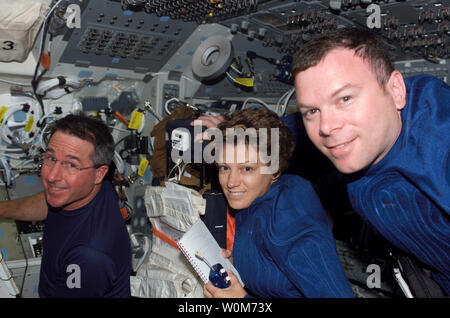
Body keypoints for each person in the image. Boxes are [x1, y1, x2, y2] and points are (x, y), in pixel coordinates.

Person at [291, 27, 449, 296]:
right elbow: (287, 127)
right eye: (312, 111)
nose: (326, 127)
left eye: (345, 98)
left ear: (396, 90)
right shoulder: (365, 138)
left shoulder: (439, 142)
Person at [203, 108, 354, 298]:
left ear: (275, 171)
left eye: (247, 168)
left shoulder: (289, 218)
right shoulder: (252, 199)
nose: (231, 182)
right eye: (224, 167)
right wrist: (237, 265)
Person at [0, 114, 131, 297]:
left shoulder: (89, 256)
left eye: (71, 164)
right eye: (52, 159)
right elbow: (47, 202)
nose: (53, 176)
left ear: (99, 174)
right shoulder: (92, 186)